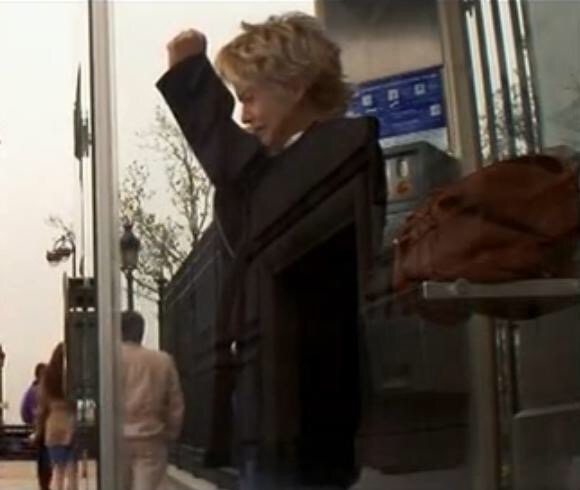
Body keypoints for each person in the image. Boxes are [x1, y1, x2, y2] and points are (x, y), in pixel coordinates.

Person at [159, 13, 384, 487]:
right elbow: (246, 175)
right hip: (282, 409)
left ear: (295, 86)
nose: (244, 116)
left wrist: (193, 84)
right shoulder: (306, 162)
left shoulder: (343, 148)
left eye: (249, 97)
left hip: (304, 412)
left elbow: (248, 179)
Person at [120, 311, 184, 490]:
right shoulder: (163, 360)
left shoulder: (110, 360)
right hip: (151, 437)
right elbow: (175, 404)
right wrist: (171, 433)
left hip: (117, 437)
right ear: (141, 331)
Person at [38, 343, 77, 490]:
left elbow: (42, 406)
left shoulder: (48, 376)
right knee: (72, 472)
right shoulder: (72, 376)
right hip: (70, 423)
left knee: (57, 471)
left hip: (53, 424)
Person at [22, 363, 52, 490]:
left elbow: (24, 412)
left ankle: (43, 482)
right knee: (48, 456)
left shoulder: (30, 392)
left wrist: (31, 421)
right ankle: (47, 481)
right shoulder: (49, 391)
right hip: (48, 427)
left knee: (41, 456)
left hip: (37, 428)